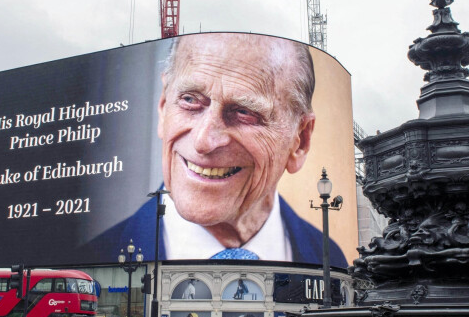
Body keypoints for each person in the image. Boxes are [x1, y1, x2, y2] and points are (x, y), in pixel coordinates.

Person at [92, 33, 347, 264]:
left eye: (244, 113)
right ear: (163, 106)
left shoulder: (332, 259)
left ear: (300, 141)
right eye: (190, 100)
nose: (203, 141)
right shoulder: (97, 256)